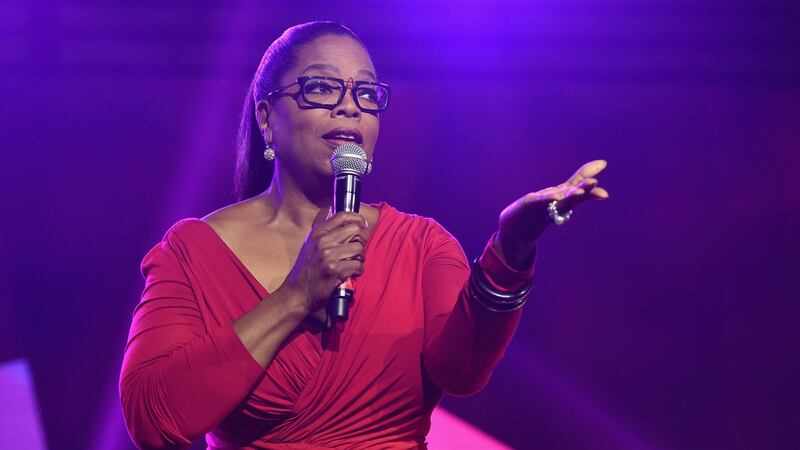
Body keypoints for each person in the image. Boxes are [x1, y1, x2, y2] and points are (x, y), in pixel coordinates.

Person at [119, 21, 609, 450]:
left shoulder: (421, 245)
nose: (350, 108)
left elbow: (461, 373)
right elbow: (153, 421)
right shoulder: (193, 253)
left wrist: (512, 248)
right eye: (322, 88)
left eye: (367, 94)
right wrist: (295, 297)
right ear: (267, 119)